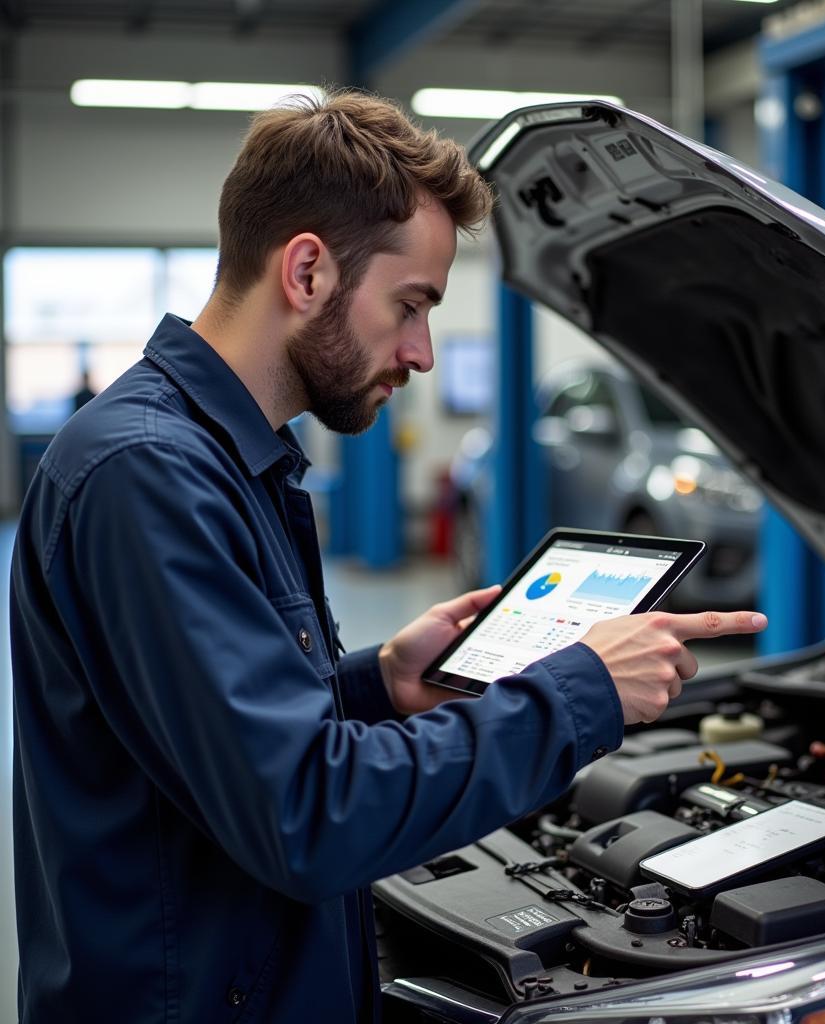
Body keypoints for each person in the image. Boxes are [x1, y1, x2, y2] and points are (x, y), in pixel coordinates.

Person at [10, 90, 768, 1023]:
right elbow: (307, 816)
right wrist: (582, 693)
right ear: (307, 272)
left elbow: (214, 739)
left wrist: (373, 687)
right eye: (411, 305)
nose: (421, 353)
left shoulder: (223, 458)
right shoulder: (152, 475)